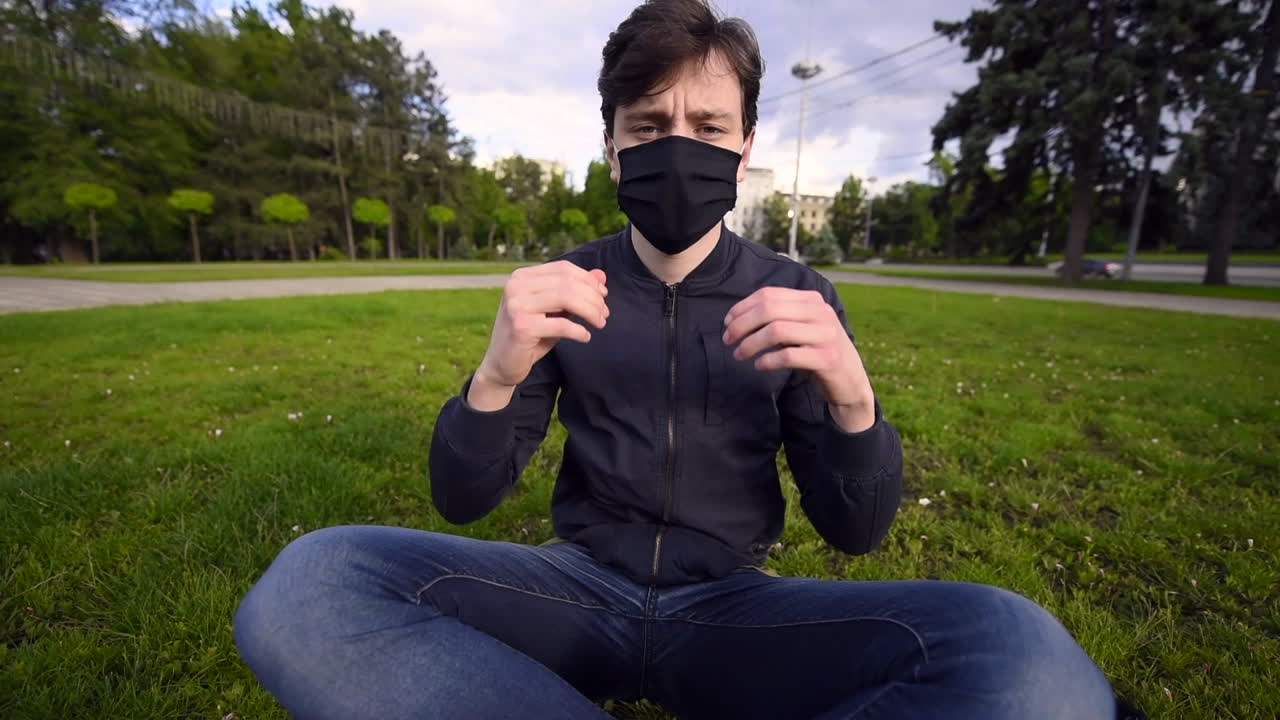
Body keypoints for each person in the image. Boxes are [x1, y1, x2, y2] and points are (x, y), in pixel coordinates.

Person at [233, 1, 1119, 718]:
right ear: (612, 146)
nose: (678, 144)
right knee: (310, 583)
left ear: (744, 146)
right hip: (574, 591)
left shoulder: (798, 296)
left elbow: (857, 533)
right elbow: (463, 501)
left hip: (736, 610)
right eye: (650, 124)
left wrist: (855, 403)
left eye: (707, 124)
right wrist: (494, 376)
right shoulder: (564, 286)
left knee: (1020, 651)